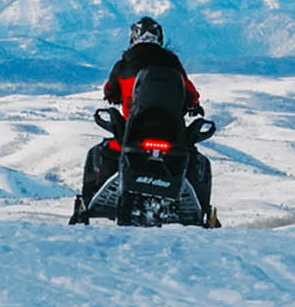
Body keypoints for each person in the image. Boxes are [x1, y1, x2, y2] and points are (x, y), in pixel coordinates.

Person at [80, 16, 211, 214]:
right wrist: (193, 105)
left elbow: (109, 91)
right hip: (172, 136)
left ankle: (86, 206)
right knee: (195, 158)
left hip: (134, 134)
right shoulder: (174, 66)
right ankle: (204, 212)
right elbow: (191, 94)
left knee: (101, 152)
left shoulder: (123, 66)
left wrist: (117, 97)